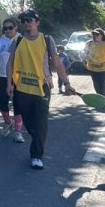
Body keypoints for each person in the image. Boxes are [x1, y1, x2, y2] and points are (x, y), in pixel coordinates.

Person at [5, 9, 77, 170]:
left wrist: (66, 83)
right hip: (22, 88)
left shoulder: (47, 39)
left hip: (42, 88)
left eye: (30, 20)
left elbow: (57, 63)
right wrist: (9, 84)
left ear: (37, 22)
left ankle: (37, 155)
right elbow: (10, 63)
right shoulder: (16, 41)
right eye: (23, 21)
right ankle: (36, 140)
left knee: (41, 123)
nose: (26, 23)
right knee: (30, 123)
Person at [0, 18, 26, 144]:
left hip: (18, 76)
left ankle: (18, 131)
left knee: (18, 104)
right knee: (1, 103)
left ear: (16, 27)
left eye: (10, 28)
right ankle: (7, 122)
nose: (7, 30)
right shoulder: (0, 40)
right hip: (3, 76)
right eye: (5, 28)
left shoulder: (22, 39)